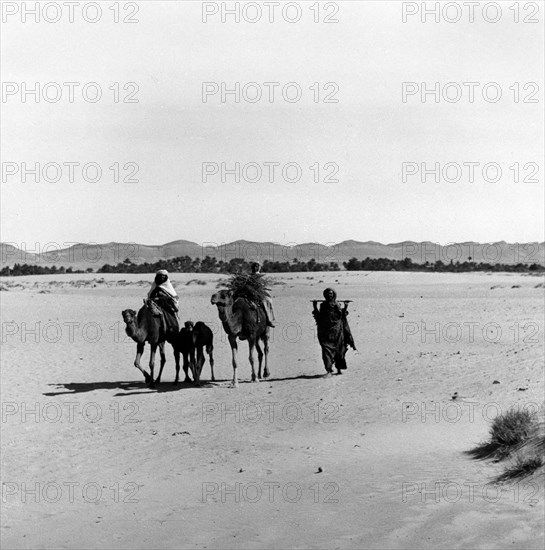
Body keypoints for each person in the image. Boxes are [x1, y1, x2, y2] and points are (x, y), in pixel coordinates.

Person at [312, 287, 356, 376]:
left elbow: (342, 315)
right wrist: (315, 306)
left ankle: (339, 368)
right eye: (328, 294)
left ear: (334, 294)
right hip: (325, 332)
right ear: (325, 295)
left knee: (339, 351)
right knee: (326, 351)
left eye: (331, 293)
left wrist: (346, 306)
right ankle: (329, 370)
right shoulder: (323, 305)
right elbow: (319, 317)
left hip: (337, 332)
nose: (329, 295)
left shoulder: (337, 304)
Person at [147, 269, 180, 340]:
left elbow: (173, 297)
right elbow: (150, 294)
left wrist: (159, 298)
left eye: (163, 276)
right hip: (154, 304)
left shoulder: (168, 285)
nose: (162, 277)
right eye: (160, 276)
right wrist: (153, 298)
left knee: (167, 314)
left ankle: (171, 328)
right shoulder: (155, 285)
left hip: (166, 304)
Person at [250, 262, 275, 327]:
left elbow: (263, 285)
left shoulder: (260, 276)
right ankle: (269, 320)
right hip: (252, 293)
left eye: (257, 266)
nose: (256, 268)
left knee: (267, 301)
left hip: (258, 292)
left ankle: (269, 319)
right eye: (255, 266)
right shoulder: (251, 276)